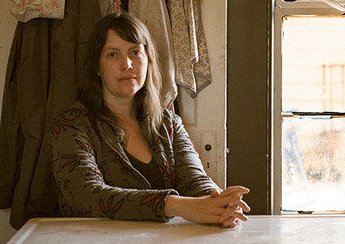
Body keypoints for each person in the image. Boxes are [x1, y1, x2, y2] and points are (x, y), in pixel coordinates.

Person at [50, 12, 250, 228]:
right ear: (96, 67)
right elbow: (86, 195)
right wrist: (174, 205)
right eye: (112, 54)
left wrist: (218, 203)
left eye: (135, 52)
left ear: (148, 60)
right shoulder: (71, 126)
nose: (127, 64)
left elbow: (194, 181)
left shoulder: (168, 123)